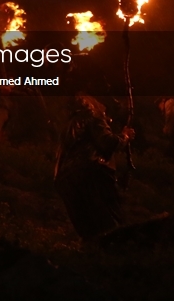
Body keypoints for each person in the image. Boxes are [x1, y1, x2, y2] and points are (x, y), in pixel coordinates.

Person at [54, 95, 134, 240]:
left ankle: (94, 256)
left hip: (64, 179)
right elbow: (108, 142)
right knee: (108, 221)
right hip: (91, 171)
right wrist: (125, 136)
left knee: (86, 227)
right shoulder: (93, 116)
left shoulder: (67, 125)